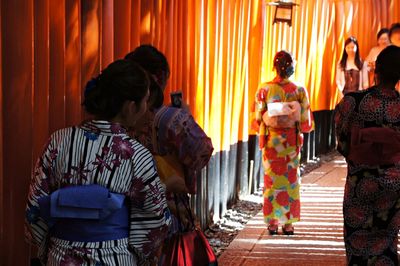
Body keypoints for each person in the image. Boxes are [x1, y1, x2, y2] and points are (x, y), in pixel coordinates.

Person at [25, 59, 171, 265]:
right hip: (115, 256)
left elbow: (34, 207)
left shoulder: (58, 141)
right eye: (145, 101)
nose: (147, 108)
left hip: (61, 255)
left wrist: (49, 246)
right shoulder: (137, 155)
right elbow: (156, 221)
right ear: (130, 106)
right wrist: (138, 256)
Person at [125, 45, 214, 259]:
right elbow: (202, 151)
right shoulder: (170, 119)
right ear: (161, 77)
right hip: (167, 210)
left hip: (125, 213)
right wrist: (186, 115)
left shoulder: (118, 116)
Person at [334, 45, 400, 265]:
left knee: (357, 240)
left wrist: (360, 159)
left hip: (359, 181)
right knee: (388, 240)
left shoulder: (352, 102)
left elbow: (343, 143)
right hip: (393, 183)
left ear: (375, 70)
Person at [252, 50, 314, 235]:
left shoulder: (264, 89)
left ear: (275, 66)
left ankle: (272, 222)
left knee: (272, 181)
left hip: (272, 142)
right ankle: (288, 224)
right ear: (292, 67)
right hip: (290, 143)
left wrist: (271, 117)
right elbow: (305, 122)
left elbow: (257, 118)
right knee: (291, 180)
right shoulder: (299, 90)